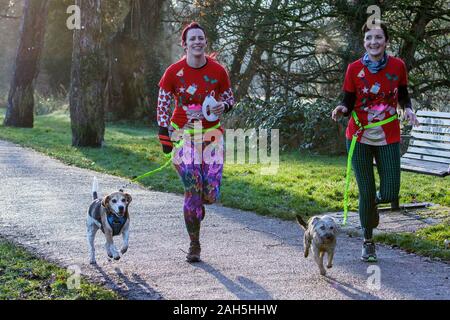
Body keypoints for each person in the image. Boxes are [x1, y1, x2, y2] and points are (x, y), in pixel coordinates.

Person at [331, 22, 418, 262]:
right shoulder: (354, 69)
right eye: (369, 38)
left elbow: (403, 95)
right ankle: (368, 241)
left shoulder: (397, 66)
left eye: (378, 38)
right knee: (366, 190)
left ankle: (370, 208)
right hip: (359, 135)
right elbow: (348, 100)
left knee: (390, 190)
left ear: (386, 41)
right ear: (364, 42)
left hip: (388, 135)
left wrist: (408, 110)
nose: (374, 42)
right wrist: (341, 108)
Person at [156, 22, 235, 262]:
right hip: (184, 136)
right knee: (192, 190)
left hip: (212, 136)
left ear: (205, 42)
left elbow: (230, 97)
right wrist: (165, 138)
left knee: (209, 194)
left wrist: (225, 105)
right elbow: (162, 104)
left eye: (201, 38)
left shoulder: (218, 71)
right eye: (192, 39)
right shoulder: (173, 72)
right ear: (185, 44)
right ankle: (194, 245)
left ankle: (200, 204)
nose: (197, 42)